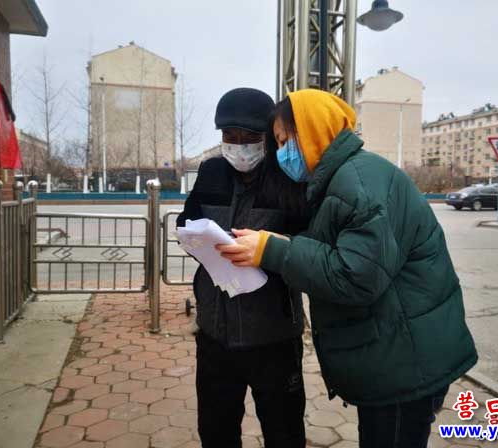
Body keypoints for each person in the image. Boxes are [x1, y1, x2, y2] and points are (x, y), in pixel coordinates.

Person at [218, 89, 478, 448]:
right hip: (397, 354)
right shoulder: (342, 178)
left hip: (406, 364)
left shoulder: (359, 183)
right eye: (277, 144)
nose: (281, 153)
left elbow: (356, 276)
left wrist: (272, 250)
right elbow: (337, 249)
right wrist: (283, 242)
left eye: (285, 141)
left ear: (313, 130)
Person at [176, 88, 309, 448]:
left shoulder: (288, 177)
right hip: (215, 333)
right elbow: (187, 220)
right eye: (229, 136)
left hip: (273, 334)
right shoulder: (211, 172)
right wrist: (196, 239)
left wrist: (267, 249)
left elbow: (307, 245)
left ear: (267, 137)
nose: (238, 146)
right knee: (216, 432)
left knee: (284, 433)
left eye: (248, 138)